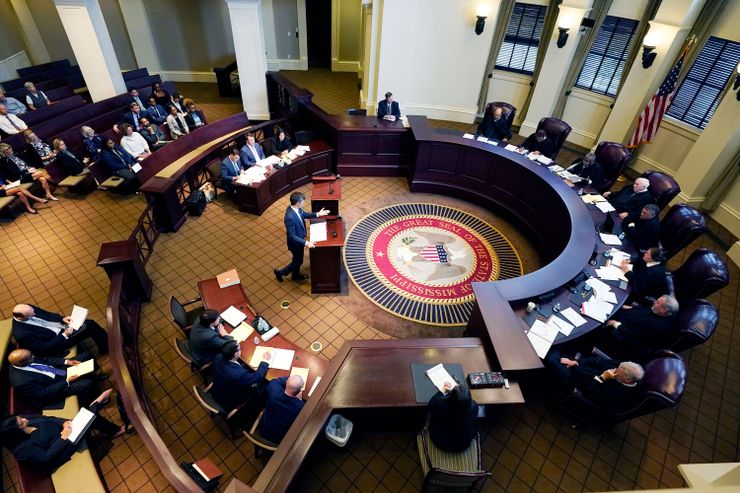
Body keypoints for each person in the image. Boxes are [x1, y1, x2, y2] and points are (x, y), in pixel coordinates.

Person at [0, 398, 132, 475]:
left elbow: (46, 418)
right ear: (16, 432)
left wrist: (63, 422)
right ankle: (104, 414)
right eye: (21, 422)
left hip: (65, 431)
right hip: (61, 449)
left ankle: (97, 406)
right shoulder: (22, 450)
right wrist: (63, 438)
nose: (24, 419)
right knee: (91, 418)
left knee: (87, 417)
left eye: (21, 418)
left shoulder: (26, 421)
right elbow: (46, 458)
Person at [544, 349, 644, 410]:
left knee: (551, 358)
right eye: (618, 367)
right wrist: (576, 362)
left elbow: (590, 392)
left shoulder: (618, 393)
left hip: (575, 381)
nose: (615, 369)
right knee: (565, 347)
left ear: (627, 380)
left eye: (618, 372)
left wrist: (602, 378)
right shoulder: (621, 367)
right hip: (578, 367)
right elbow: (597, 361)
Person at [8, 349, 105, 409]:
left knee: (86, 355)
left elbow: (46, 360)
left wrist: (67, 362)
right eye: (31, 357)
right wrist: (67, 381)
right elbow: (44, 393)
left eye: (31, 355)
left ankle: (93, 374)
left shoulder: (27, 358)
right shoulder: (21, 382)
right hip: (53, 387)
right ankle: (98, 401)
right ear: (20, 364)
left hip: (57, 372)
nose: (34, 357)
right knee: (87, 383)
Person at [595, 295, 679, 361]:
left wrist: (614, 323)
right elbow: (641, 311)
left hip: (621, 341)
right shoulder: (658, 311)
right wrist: (622, 306)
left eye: (657, 302)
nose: (654, 302)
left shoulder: (656, 326)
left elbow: (630, 335)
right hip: (623, 321)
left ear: (664, 310)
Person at [12, 303, 109, 357]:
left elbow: (47, 314)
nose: (34, 314)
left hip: (61, 326)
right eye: (31, 315)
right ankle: (106, 348)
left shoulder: (29, 309)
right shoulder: (21, 334)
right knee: (90, 325)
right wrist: (65, 335)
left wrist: (61, 318)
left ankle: (105, 345)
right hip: (58, 340)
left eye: (33, 312)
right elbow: (43, 349)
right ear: (20, 318)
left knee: (88, 323)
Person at [274, 192, 329, 282]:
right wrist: (306, 243)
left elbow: (304, 214)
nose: (304, 202)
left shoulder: (296, 208)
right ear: (297, 203)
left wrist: (318, 214)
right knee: (298, 261)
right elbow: (291, 236)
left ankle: (295, 275)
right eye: (303, 201)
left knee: (297, 260)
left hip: (300, 240)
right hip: (295, 244)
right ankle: (280, 273)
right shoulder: (289, 217)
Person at [210, 340, 270, 418]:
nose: (241, 349)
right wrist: (265, 360)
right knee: (267, 384)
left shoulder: (218, 357)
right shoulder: (238, 375)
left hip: (218, 389)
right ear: (235, 354)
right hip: (232, 398)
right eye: (240, 348)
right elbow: (257, 377)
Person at [427, 382, 478, 452]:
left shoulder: (440, 405)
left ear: (450, 397)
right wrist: (458, 394)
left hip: (441, 442)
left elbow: (432, 403)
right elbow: (464, 401)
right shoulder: (474, 407)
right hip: (463, 444)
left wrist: (443, 390)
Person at [259, 374, 305, 444]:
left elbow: (275, 382)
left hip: (264, 430)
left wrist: (289, 378)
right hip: (281, 439)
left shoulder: (274, 393)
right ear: (299, 391)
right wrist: (299, 400)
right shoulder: (300, 406)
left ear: (286, 383)